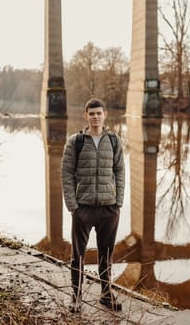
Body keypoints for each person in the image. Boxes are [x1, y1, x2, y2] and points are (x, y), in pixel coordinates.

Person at [60, 98, 125, 313]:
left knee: (106, 254)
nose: (96, 117)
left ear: (105, 115)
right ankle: (76, 297)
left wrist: (118, 203)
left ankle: (106, 294)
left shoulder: (114, 141)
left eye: (99, 113)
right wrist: (73, 206)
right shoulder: (75, 141)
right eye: (92, 113)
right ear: (85, 115)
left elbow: (119, 171)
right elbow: (66, 174)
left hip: (109, 208)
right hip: (83, 208)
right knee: (77, 255)